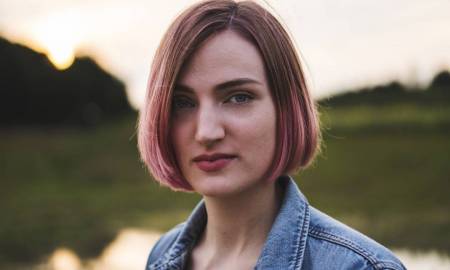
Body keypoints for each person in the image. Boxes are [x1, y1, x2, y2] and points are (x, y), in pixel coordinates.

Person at [137, 0, 406, 269]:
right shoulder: (162, 255)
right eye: (182, 103)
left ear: (286, 108)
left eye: (238, 97)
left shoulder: (361, 267)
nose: (207, 132)